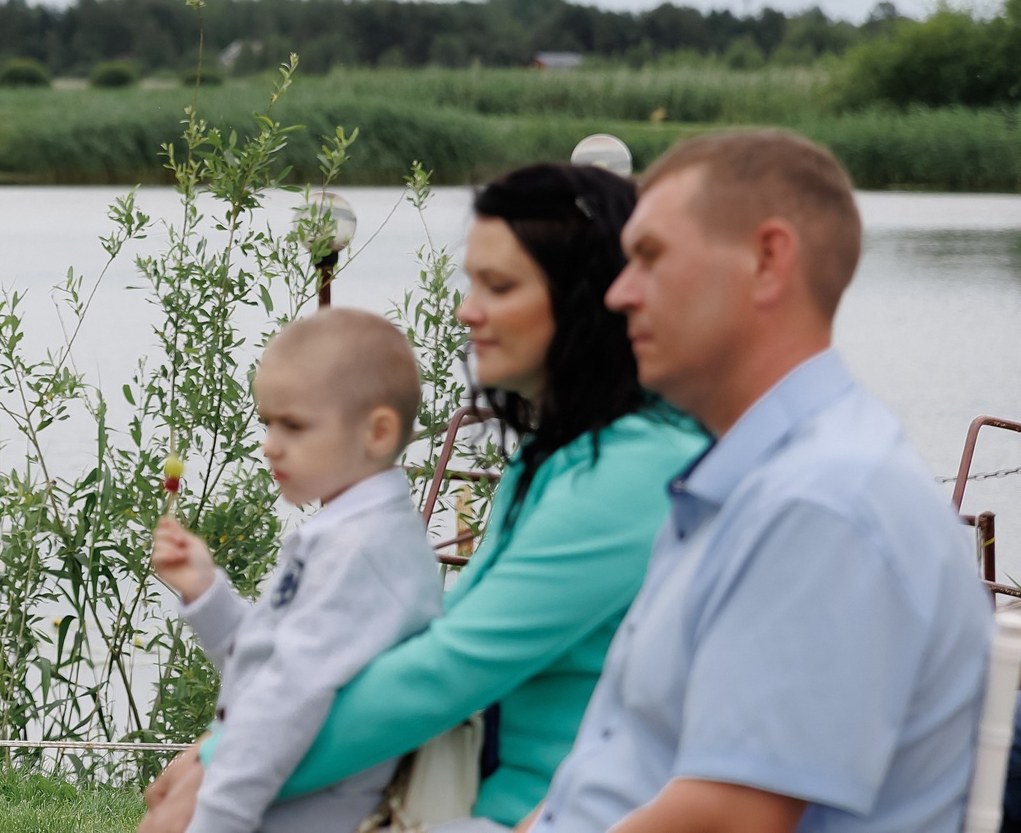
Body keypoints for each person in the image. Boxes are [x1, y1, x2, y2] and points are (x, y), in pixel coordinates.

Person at [144, 163, 708, 833]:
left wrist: (221, 763)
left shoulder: (634, 468)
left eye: (498, 286)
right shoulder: (557, 452)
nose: (467, 309)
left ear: (585, 296)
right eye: (471, 281)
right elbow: (430, 641)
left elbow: (446, 670)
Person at [526, 130, 990, 833]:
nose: (618, 293)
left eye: (649, 257)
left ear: (767, 261)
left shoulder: (826, 502)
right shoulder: (750, 487)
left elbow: (728, 819)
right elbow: (606, 780)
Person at [145, 308, 446, 833]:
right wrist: (205, 590)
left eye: (294, 425)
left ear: (376, 433)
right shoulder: (345, 536)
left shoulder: (365, 554)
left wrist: (212, 818)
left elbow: (281, 707)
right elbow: (266, 666)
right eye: (267, 422)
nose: (270, 443)